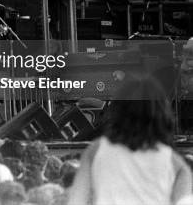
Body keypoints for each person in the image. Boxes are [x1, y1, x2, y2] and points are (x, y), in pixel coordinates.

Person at [67, 77, 192, 205]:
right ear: (162, 115)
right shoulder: (175, 163)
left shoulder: (95, 151)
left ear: (116, 111)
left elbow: (76, 200)